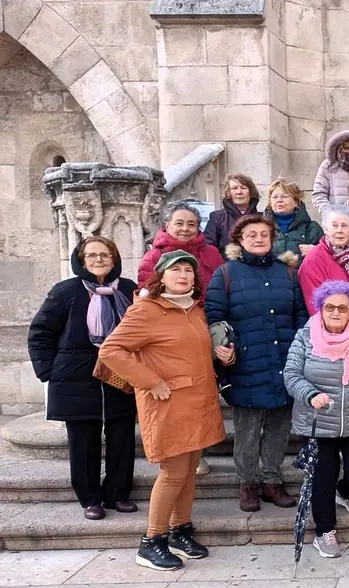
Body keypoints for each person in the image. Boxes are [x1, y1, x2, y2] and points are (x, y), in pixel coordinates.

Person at [98, 251, 226, 572]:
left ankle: (179, 530)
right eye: (176, 269)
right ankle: (152, 540)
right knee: (172, 473)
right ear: (161, 276)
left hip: (198, 402)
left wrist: (220, 353)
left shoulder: (193, 310)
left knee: (190, 470)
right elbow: (111, 350)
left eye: (188, 270)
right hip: (168, 404)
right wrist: (150, 381)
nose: (183, 275)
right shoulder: (146, 310)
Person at [28, 237, 138, 521]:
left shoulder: (129, 290)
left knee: (122, 438)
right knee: (83, 442)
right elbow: (41, 332)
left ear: (114, 259)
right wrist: (50, 371)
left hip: (120, 375)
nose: (99, 259)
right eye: (92, 255)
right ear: (82, 259)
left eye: (105, 254)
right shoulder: (66, 291)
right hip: (76, 377)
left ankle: (118, 494)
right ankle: (90, 498)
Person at [205, 214, 307, 512]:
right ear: (240, 239)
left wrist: (297, 349)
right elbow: (214, 315)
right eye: (252, 235)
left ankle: (272, 480)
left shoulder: (287, 273)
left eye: (264, 234)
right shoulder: (226, 273)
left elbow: (300, 313)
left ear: (273, 238)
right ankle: (248, 483)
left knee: (279, 425)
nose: (259, 239)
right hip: (245, 361)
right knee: (248, 428)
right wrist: (222, 347)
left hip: (283, 360)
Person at [284, 280, 349, 559]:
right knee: (322, 477)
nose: (336, 312)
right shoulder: (305, 337)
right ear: (320, 308)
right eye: (329, 307)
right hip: (317, 422)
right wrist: (311, 394)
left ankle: (346, 491)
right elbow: (291, 375)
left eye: (343, 307)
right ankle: (324, 532)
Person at [138, 202, 224, 296]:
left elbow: (223, 286)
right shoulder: (154, 256)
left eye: (191, 224)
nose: (185, 228)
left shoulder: (211, 253)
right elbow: (147, 294)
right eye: (179, 223)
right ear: (167, 226)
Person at [298, 208, 349, 315]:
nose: (339, 230)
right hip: (331, 323)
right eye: (335, 225)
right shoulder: (314, 258)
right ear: (326, 230)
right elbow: (315, 304)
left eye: (344, 226)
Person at [265, 179, 324, 267]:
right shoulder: (262, 228)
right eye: (275, 197)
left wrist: (315, 251)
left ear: (296, 202)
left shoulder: (312, 228)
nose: (279, 200)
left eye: (285, 196)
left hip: (302, 278)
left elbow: (326, 258)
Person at [205, 174, 261, 257]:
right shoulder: (217, 217)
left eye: (243, 188)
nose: (239, 192)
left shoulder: (262, 218)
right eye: (234, 188)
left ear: (250, 191)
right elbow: (209, 247)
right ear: (228, 193)